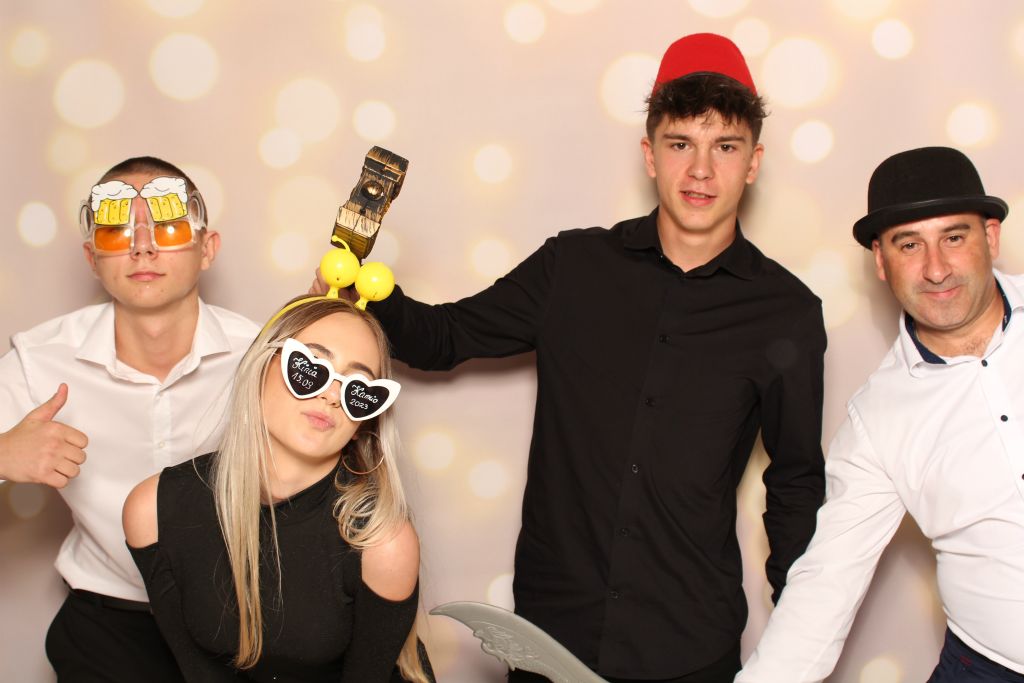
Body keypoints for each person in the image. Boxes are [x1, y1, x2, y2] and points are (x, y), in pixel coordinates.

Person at [324, 33, 827, 682]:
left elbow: (795, 483)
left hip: (689, 646)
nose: (701, 170)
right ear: (650, 154)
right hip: (550, 638)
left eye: (725, 146)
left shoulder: (786, 312)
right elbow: (442, 339)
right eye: (680, 143)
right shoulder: (574, 266)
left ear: (753, 162)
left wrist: (800, 644)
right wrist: (366, 285)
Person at [735, 146, 1024, 682]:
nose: (935, 269)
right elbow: (825, 587)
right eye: (909, 244)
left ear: (991, 237)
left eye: (953, 238)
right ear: (881, 261)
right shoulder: (877, 418)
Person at [0, 157, 258, 681]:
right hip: (106, 628)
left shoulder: (260, 356)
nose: (143, 246)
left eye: (168, 226)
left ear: (207, 248)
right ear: (92, 258)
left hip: (242, 624)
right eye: (117, 231)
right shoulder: (39, 359)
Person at [122, 296, 432, 682]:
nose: (331, 395)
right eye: (310, 368)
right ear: (260, 367)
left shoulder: (382, 542)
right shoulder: (152, 511)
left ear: (365, 422)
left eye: (359, 388)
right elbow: (198, 672)